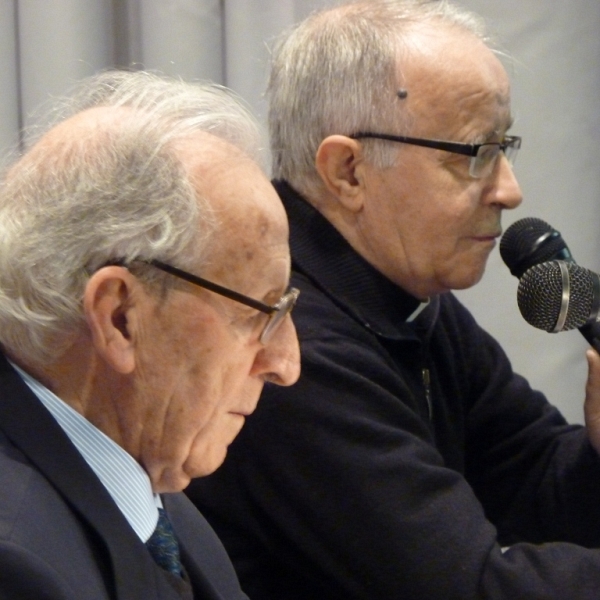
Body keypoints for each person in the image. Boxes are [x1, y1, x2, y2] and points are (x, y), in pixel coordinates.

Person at [185, 1, 600, 598]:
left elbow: (530, 479)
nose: (510, 190)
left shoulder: (399, 291)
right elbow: (469, 588)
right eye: (475, 155)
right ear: (348, 170)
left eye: (504, 147)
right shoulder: (288, 347)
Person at [0, 69, 300, 600]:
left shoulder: (156, 501)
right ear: (120, 319)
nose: (285, 363)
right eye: (259, 312)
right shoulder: (20, 566)